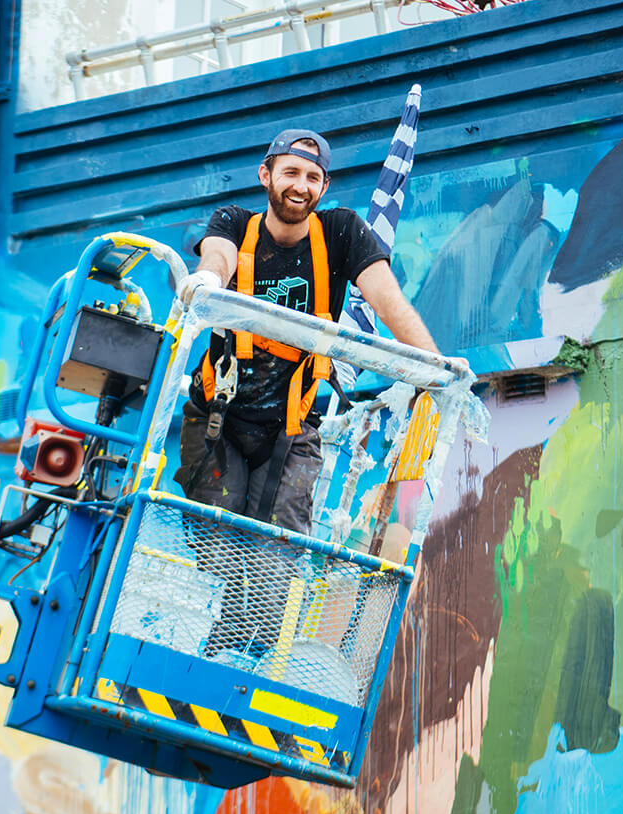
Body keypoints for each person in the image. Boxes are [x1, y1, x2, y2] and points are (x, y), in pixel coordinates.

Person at [173, 129, 447, 535]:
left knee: (279, 556)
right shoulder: (233, 222)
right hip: (218, 417)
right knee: (218, 546)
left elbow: (388, 301)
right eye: (290, 173)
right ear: (265, 175)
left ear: (325, 186)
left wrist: (440, 371)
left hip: (292, 425)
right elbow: (218, 257)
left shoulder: (341, 232)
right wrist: (208, 280)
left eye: (312, 177)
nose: (301, 186)